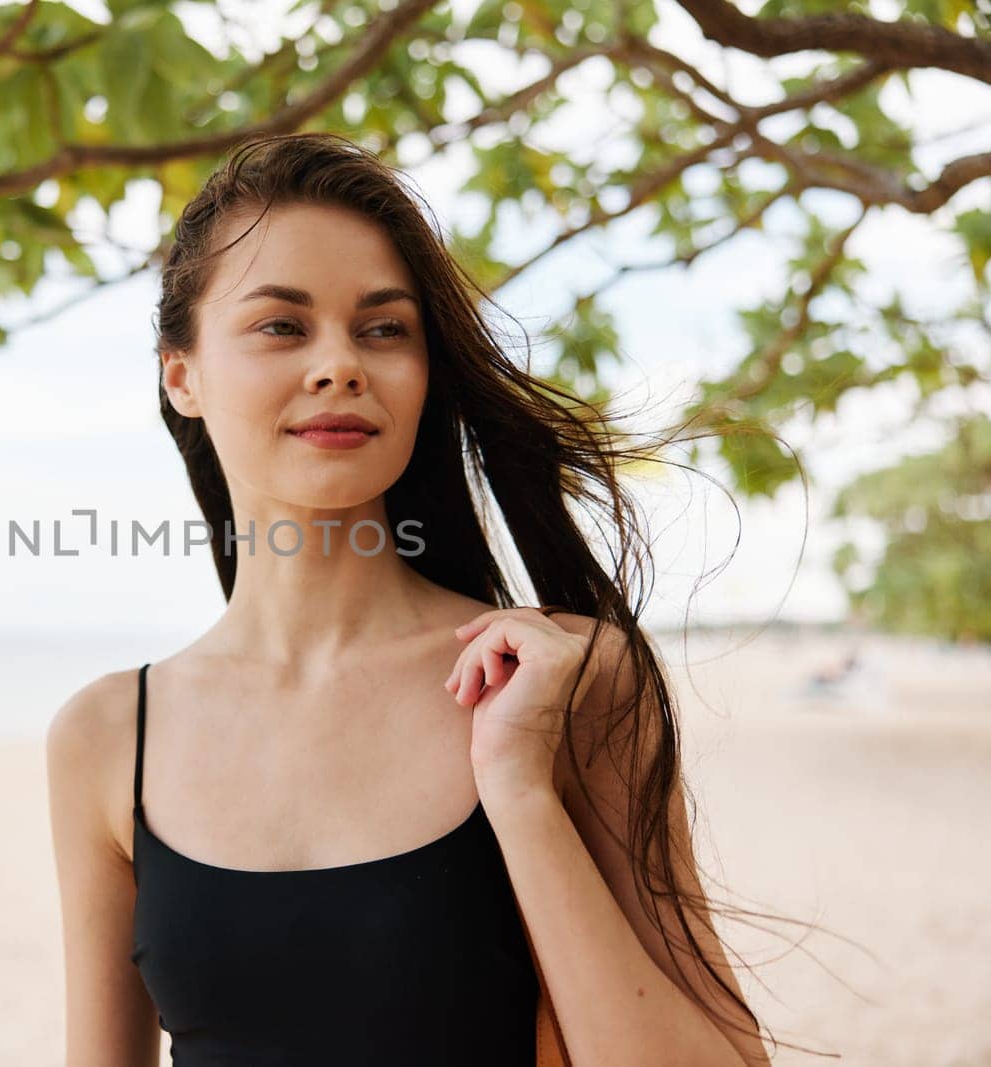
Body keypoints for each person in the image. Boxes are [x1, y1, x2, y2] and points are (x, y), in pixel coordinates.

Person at [46, 133, 773, 1065]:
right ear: (180, 375)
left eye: (384, 328)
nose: (340, 364)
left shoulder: (560, 678)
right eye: (282, 325)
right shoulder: (108, 735)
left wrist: (518, 791)